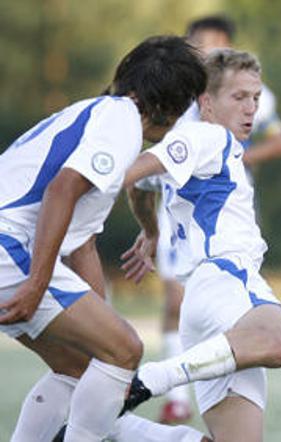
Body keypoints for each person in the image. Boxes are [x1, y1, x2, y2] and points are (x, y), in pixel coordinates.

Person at [0, 36, 206, 441]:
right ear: (173, 105)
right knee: (126, 349)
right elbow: (62, 189)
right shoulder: (121, 122)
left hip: (9, 248)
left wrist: (102, 337)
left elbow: (83, 245)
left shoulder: (98, 115)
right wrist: (37, 284)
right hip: (8, 246)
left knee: (80, 369)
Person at [120, 48, 281, 442]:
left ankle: (113, 428)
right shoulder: (208, 136)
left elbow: (140, 183)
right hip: (226, 281)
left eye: (255, 97)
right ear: (206, 103)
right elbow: (130, 173)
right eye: (239, 97)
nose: (251, 108)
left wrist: (150, 230)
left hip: (204, 304)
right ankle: (155, 377)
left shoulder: (212, 144)